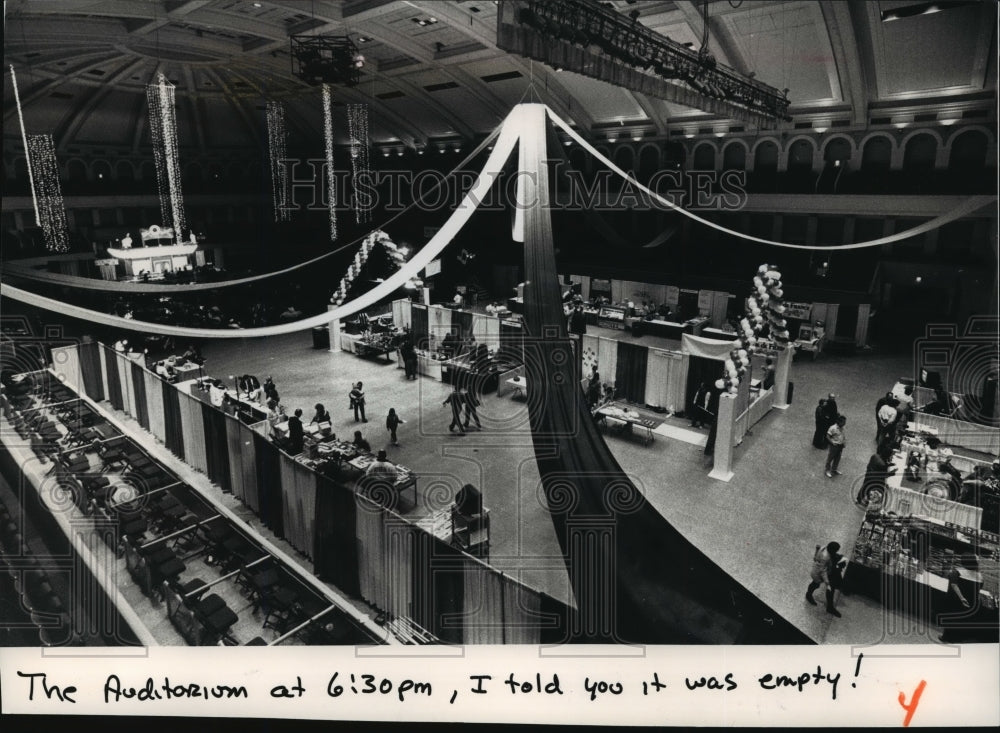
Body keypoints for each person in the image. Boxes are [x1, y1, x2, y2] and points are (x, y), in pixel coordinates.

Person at [806, 541, 842, 617]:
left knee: (816, 584)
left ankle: (809, 594)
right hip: (818, 574)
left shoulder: (824, 548)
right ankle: (808, 595)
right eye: (836, 551)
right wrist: (827, 581)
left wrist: (817, 550)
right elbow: (823, 571)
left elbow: (815, 558)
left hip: (816, 570)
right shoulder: (825, 558)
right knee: (815, 585)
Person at [938, 568, 972, 643]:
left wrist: (961, 597)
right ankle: (953, 637)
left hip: (955, 597)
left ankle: (946, 636)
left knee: (951, 616)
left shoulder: (957, 572)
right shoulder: (973, 575)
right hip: (962, 598)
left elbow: (953, 584)